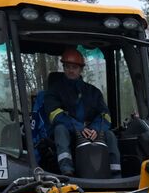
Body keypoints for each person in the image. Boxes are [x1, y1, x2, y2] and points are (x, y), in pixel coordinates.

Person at [42, 48, 121, 177]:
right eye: (67, 67)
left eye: (74, 67)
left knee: (110, 135)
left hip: (92, 131)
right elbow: (54, 114)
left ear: (81, 69)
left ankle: (116, 174)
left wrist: (95, 129)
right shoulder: (54, 91)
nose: (71, 70)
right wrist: (78, 127)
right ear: (64, 67)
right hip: (69, 131)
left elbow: (105, 115)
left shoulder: (93, 92)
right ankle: (67, 172)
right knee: (60, 130)